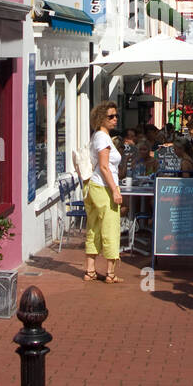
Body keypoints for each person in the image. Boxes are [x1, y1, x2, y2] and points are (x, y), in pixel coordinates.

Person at [84, 99, 123, 284]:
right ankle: (110, 273)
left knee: (94, 228)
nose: (115, 119)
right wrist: (115, 190)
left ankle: (90, 270)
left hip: (95, 187)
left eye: (116, 115)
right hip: (104, 188)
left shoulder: (99, 136)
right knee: (110, 228)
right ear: (101, 118)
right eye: (111, 116)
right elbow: (105, 166)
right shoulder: (102, 138)